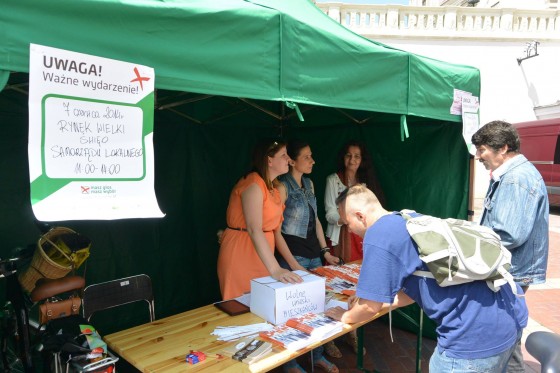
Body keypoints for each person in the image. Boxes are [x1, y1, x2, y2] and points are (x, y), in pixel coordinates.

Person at [325, 184, 528, 373]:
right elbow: (412, 293)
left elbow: (370, 307)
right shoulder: (408, 218)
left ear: (360, 216)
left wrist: (345, 316)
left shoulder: (378, 234)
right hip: (507, 317)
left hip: (471, 339)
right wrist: (372, 304)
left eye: (347, 223)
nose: (348, 229)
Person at [472, 120, 549, 372]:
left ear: (503, 148)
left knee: (503, 339)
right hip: (510, 271)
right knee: (505, 337)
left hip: (510, 273)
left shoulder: (516, 178)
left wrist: (466, 243)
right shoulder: (513, 175)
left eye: (482, 149)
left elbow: (509, 234)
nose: (478, 156)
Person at [276, 140, 340, 373]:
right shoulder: (282, 187)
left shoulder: (310, 183)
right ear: (292, 160)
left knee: (317, 309)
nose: (312, 161)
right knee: (291, 313)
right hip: (294, 256)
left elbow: (316, 221)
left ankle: (317, 357)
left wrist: (326, 252)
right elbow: (274, 228)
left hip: (314, 254)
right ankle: (290, 364)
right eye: (307, 157)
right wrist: (292, 264)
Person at [217, 139, 305, 300]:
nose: (288, 159)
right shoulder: (253, 183)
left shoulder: (274, 188)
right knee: (239, 306)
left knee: (261, 306)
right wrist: (275, 269)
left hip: (264, 257)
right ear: (269, 160)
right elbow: (254, 228)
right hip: (241, 253)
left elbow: (276, 233)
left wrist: (295, 265)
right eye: (283, 155)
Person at [324, 140, 385, 263]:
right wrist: (347, 219)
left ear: (362, 159)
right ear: (343, 157)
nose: (352, 160)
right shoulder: (332, 180)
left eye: (357, 156)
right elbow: (330, 213)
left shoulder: (367, 181)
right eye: (348, 155)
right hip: (340, 235)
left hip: (362, 234)